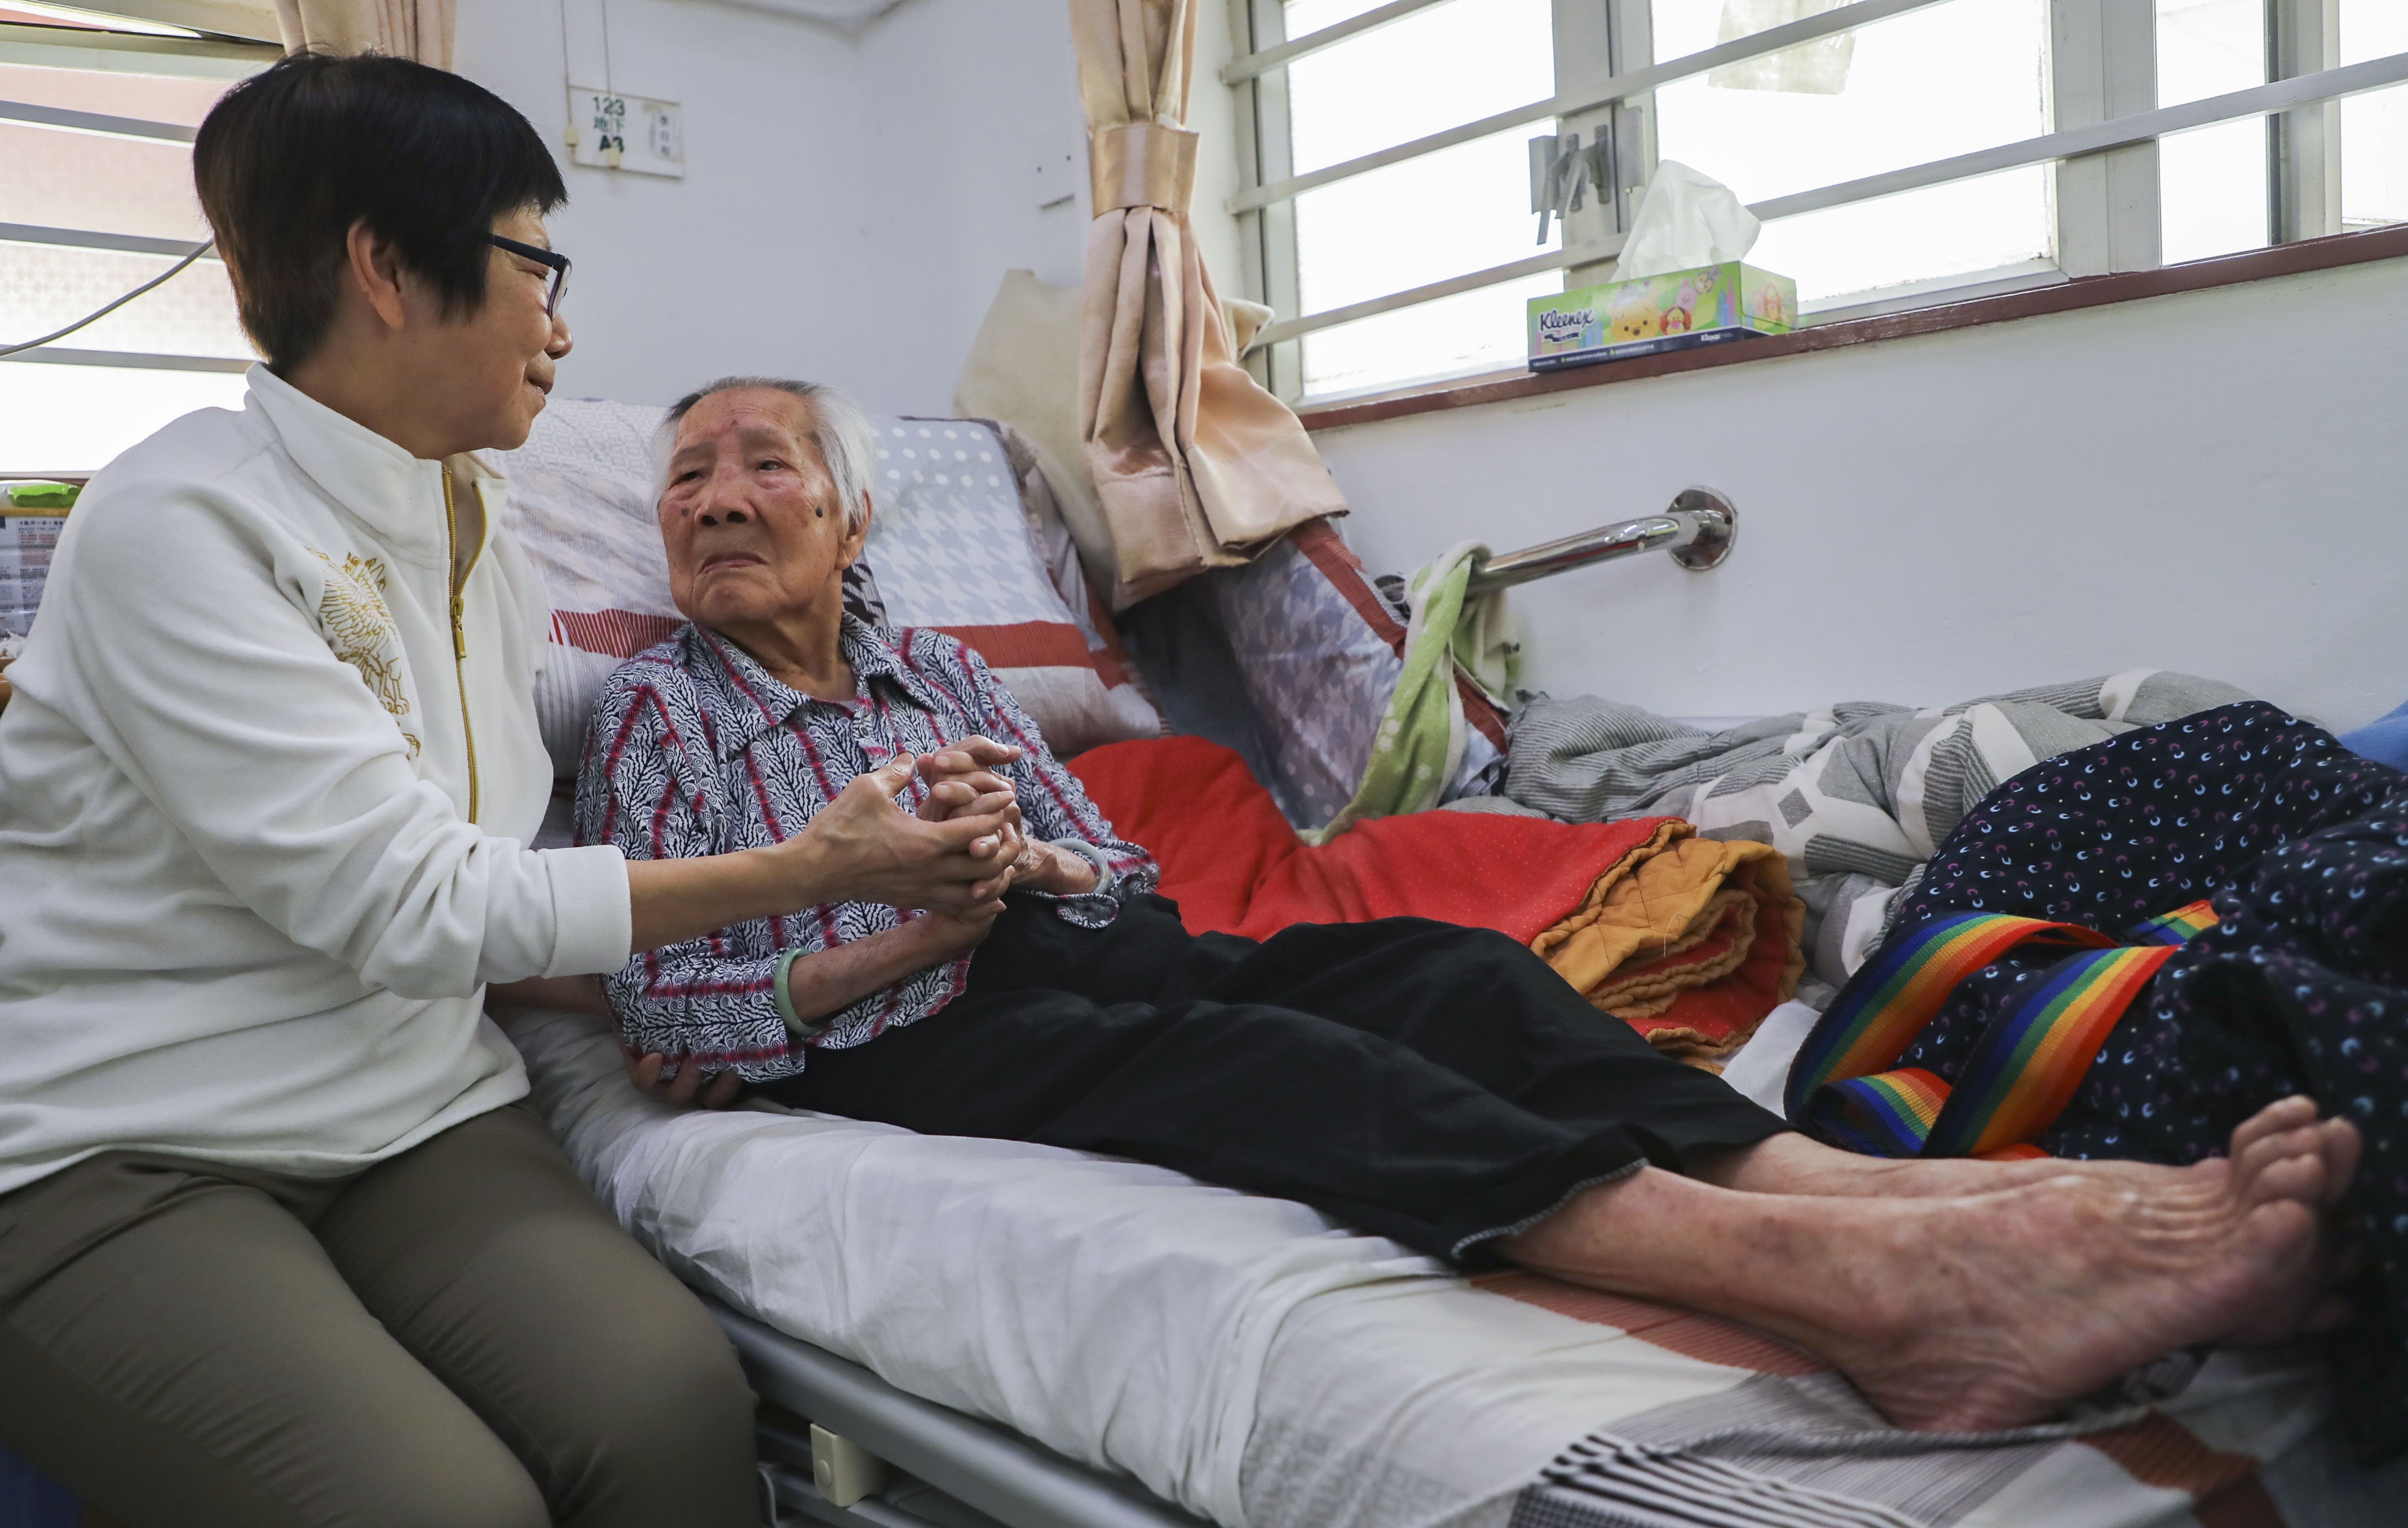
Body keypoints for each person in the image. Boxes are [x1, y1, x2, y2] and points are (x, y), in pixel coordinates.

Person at [580, 373, 2365, 1436]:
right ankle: (1883, 1301)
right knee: (1279, 1073)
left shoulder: (945, 678)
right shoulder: (659, 712)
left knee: (1448, 974)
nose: (723, 499)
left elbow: (1114, 864)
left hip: (1080, 935)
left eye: (766, 467)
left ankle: (1915, 1201)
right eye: (686, 478)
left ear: (849, 518)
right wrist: (904, 924)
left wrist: (1023, 857)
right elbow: (670, 1010)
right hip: (925, 1025)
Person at [0, 57, 1022, 1528]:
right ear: (386, 269)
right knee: (439, 1505)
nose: (561, 325)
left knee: (672, 1411)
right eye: (538, 264)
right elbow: (414, 896)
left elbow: (507, 733)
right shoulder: (182, 519)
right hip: (127, 1145)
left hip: (412, 1111)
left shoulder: (474, 508)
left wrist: (785, 719)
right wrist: (809, 869)